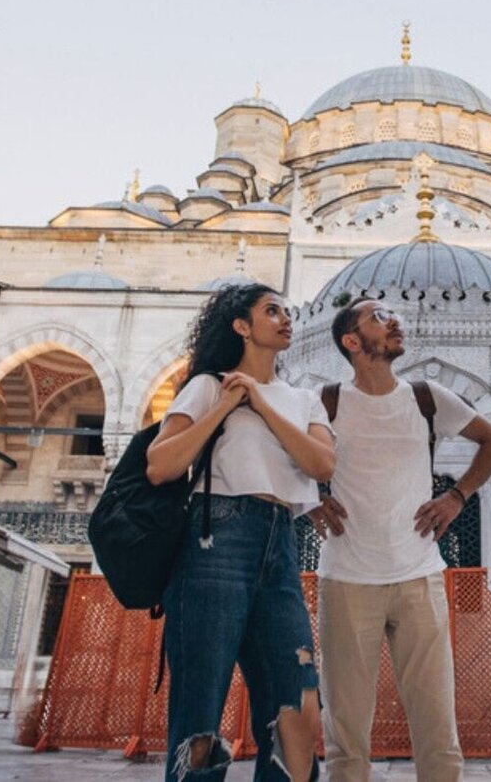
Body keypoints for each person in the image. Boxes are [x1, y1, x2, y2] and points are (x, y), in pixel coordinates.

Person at [309, 298, 491, 782]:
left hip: (419, 577)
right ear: (352, 343)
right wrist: (311, 498)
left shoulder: (426, 397)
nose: (394, 319)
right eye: (378, 316)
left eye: (392, 313)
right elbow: (284, 455)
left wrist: (457, 496)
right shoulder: (328, 401)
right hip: (347, 581)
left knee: (438, 729)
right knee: (346, 734)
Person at [147, 282, 336, 782]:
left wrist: (261, 402)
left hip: (282, 546)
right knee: (201, 708)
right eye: (271, 311)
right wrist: (227, 405)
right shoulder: (209, 386)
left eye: (286, 311)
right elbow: (161, 465)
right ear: (241, 326)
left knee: (296, 702)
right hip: (217, 542)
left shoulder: (303, 399)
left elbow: (320, 464)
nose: (285, 319)